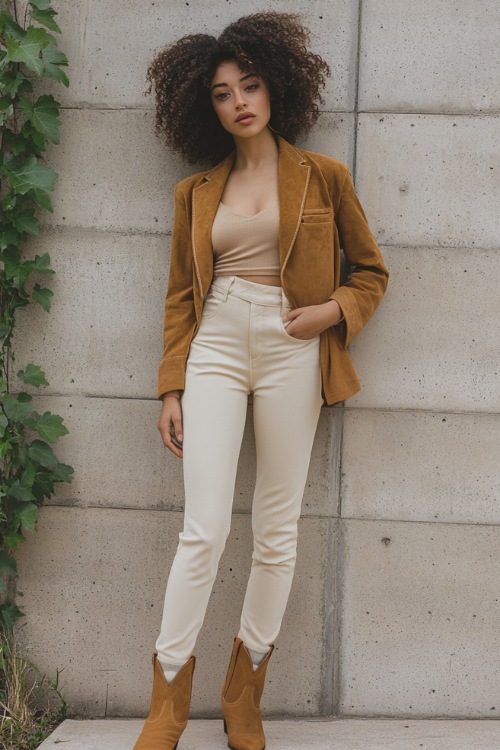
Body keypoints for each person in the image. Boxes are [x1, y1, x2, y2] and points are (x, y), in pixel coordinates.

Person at [133, 11, 389, 750]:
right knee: (203, 531)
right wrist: (171, 387)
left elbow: (371, 271)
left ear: (275, 87)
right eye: (222, 92)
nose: (240, 100)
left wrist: (331, 312)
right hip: (214, 341)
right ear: (205, 107)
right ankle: (168, 701)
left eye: (249, 84)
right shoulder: (195, 192)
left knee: (277, 531)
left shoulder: (323, 177)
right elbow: (182, 295)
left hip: (291, 346)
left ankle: (244, 693)